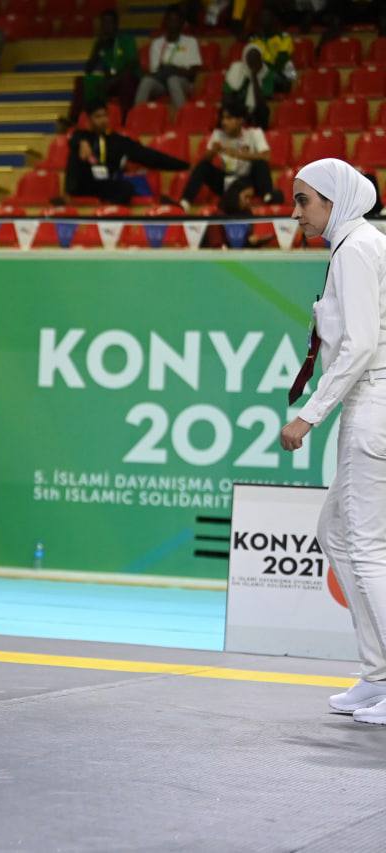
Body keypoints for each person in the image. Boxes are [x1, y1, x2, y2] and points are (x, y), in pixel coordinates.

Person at [279, 158, 386, 726]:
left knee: (365, 545)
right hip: (369, 404)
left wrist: (309, 415)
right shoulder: (357, 246)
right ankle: (378, 673)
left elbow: (362, 345)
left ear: (334, 200)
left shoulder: (358, 248)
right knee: (338, 533)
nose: (295, 212)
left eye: (304, 200)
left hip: (374, 403)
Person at [66, 100, 189, 204]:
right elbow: (73, 138)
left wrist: (184, 166)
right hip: (84, 184)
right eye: (98, 117)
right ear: (89, 120)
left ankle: (109, 214)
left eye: (105, 116)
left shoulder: (118, 141)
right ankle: (67, 196)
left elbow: (149, 156)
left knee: (125, 188)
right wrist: (81, 142)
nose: (103, 120)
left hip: (105, 184)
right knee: (74, 155)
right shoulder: (80, 136)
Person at [179, 101, 279, 210]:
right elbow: (205, 160)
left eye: (229, 118)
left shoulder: (254, 133)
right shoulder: (218, 134)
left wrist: (237, 154)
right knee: (203, 166)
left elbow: (266, 156)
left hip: (247, 181)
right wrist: (213, 151)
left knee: (260, 163)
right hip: (226, 181)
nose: (224, 122)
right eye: (223, 118)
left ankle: (268, 196)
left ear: (240, 120)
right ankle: (185, 202)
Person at [67, 9, 140, 126]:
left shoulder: (126, 40)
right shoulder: (101, 43)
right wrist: (97, 48)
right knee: (81, 81)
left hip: (127, 80)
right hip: (109, 81)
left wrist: (115, 80)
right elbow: (88, 70)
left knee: (127, 78)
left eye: (109, 23)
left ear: (116, 24)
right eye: (104, 23)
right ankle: (74, 119)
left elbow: (131, 65)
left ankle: (125, 119)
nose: (106, 26)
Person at [134, 6, 202, 111]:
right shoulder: (157, 43)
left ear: (182, 23)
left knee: (172, 79)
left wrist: (174, 70)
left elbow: (193, 71)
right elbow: (155, 71)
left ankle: (184, 115)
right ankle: (138, 115)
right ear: (165, 22)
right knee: (146, 81)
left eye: (176, 21)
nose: (172, 24)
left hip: (182, 81)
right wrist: (167, 70)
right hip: (161, 82)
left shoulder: (191, 42)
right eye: (170, 20)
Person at [247, 6, 297, 94]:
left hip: (281, 73)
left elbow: (282, 59)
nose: (264, 19)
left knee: (287, 66)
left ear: (274, 19)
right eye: (262, 17)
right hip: (262, 74)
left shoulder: (284, 37)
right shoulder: (254, 40)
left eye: (267, 16)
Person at [223, 43, 274, 129]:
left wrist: (254, 76)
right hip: (239, 105)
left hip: (257, 107)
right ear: (245, 60)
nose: (253, 63)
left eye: (256, 59)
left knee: (263, 110)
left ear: (261, 60)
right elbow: (227, 95)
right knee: (228, 107)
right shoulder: (236, 70)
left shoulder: (266, 73)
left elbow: (262, 99)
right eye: (250, 60)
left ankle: (260, 132)